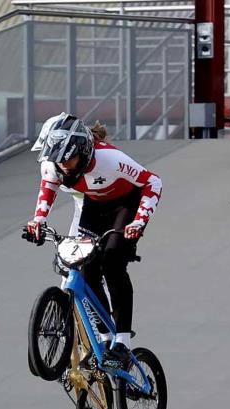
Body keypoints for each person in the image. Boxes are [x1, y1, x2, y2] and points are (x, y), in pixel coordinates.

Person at [23, 114, 163, 369]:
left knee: (112, 263)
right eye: (59, 160)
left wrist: (138, 222)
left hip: (124, 207)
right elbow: (48, 189)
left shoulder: (110, 159)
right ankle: (104, 338)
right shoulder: (52, 163)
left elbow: (153, 182)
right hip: (94, 207)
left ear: (85, 151)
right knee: (85, 269)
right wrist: (38, 221)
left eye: (69, 158)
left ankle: (122, 341)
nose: (64, 165)